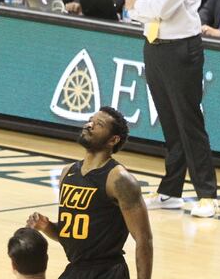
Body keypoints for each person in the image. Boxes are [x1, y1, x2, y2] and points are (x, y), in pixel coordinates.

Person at [125, 0, 219, 218]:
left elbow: (163, 8)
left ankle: (207, 195)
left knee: (189, 123)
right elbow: (135, 0)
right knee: (169, 123)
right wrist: (140, 7)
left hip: (182, 48)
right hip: (153, 46)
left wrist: (137, 7)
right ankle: (170, 192)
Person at [28, 107, 153, 279]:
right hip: (76, 269)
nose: (89, 125)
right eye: (90, 120)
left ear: (113, 140)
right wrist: (47, 227)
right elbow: (75, 235)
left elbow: (143, 239)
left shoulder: (119, 179)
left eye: (98, 124)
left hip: (107, 272)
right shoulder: (67, 172)